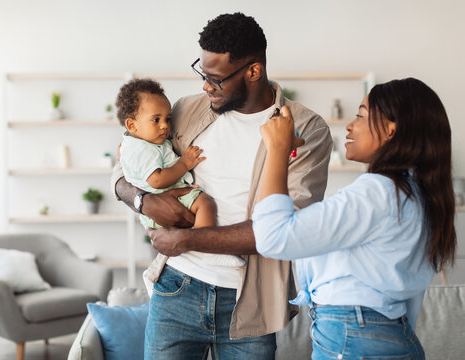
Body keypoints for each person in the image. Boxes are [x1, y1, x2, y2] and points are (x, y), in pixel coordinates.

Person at [112, 13, 333, 359]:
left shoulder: (308, 130)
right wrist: (142, 200)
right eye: (202, 74)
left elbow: (288, 230)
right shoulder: (187, 110)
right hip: (177, 286)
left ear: (253, 71)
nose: (205, 86)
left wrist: (187, 238)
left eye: (215, 79)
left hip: (250, 301)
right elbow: (124, 167)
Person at [252, 78, 456, 359]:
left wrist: (276, 150)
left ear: (390, 130)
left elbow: (273, 237)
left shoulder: (378, 192)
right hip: (392, 337)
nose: (350, 125)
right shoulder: (416, 194)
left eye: (361, 115)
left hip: (353, 337)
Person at [115, 78, 245, 268]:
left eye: (167, 119)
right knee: (205, 204)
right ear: (132, 125)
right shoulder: (144, 149)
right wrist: (184, 163)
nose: (164, 126)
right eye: (156, 120)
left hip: (159, 203)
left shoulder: (135, 144)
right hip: (164, 196)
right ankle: (208, 251)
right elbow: (157, 180)